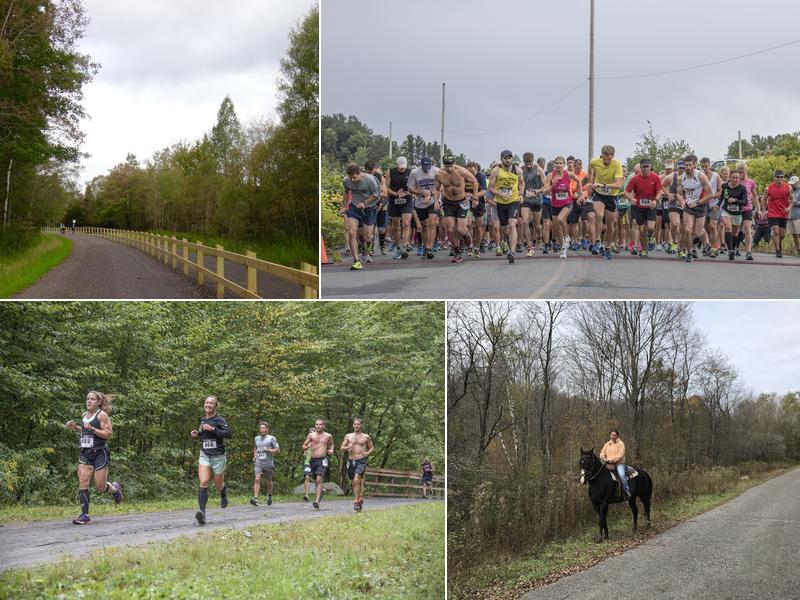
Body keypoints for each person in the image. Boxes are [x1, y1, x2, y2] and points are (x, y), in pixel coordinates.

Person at [65, 391, 123, 525]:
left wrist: (92, 429)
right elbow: (85, 430)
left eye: (92, 399)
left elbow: (108, 434)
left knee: (100, 486)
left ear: (98, 402)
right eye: (87, 399)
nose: (89, 401)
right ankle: (84, 515)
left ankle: (115, 489)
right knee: (83, 481)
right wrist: (75, 428)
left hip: (100, 453)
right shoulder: (84, 415)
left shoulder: (102, 415)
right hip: (85, 453)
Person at [190, 395, 232, 525]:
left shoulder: (219, 419)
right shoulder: (202, 420)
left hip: (218, 457)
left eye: (211, 403)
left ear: (216, 406)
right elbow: (205, 436)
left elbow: (229, 433)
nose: (208, 405)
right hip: (205, 455)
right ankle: (202, 513)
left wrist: (213, 429)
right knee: (203, 482)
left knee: (218, 485)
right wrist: (197, 434)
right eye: (206, 402)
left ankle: (223, 492)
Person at [435, 155, 479, 263]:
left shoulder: (462, 171)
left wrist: (475, 198)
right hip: (448, 203)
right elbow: (436, 189)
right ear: (443, 165)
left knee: (461, 229)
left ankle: (467, 237)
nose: (449, 168)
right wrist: (436, 201)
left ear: (454, 163)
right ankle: (457, 252)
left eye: (451, 166)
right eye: (447, 166)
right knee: (450, 229)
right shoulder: (439, 174)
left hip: (462, 201)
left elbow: (475, 181)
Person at [342, 164, 381, 271]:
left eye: (354, 177)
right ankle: (356, 261)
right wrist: (344, 206)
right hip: (354, 207)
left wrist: (365, 203)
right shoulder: (346, 180)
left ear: (360, 174)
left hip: (369, 207)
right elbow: (346, 192)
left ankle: (366, 248)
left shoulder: (370, 180)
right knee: (351, 232)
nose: (353, 180)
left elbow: (376, 195)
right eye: (351, 178)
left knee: (367, 237)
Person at [588, 145, 624, 259]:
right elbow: (590, 169)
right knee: (598, 215)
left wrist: (602, 184)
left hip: (611, 196)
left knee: (611, 223)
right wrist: (591, 182)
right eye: (605, 157)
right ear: (602, 155)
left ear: (613, 156)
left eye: (609, 157)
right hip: (599, 194)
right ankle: (597, 241)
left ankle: (607, 247)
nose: (607, 160)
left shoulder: (617, 164)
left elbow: (619, 185)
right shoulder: (594, 162)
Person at [488, 150, 525, 263]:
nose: (507, 160)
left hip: (513, 201)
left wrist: (520, 194)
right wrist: (500, 194)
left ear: (512, 159)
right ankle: (508, 244)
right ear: (501, 159)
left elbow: (522, 183)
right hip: (500, 202)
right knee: (505, 229)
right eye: (505, 158)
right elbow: (491, 188)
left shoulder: (517, 170)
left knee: (513, 224)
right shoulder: (496, 171)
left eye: (509, 158)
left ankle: (512, 252)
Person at [625, 159, 663, 257]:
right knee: (641, 230)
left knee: (650, 227)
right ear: (640, 168)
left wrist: (655, 200)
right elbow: (626, 191)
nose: (646, 169)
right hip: (639, 207)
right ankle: (644, 249)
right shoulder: (635, 178)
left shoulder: (655, 177)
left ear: (650, 167)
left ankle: (651, 237)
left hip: (651, 206)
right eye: (644, 167)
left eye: (648, 167)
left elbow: (660, 191)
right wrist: (631, 198)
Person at [408, 157, 440, 259]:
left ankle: (430, 248)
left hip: (433, 201)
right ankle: (426, 248)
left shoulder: (436, 171)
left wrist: (430, 193)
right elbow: (409, 188)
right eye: (424, 167)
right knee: (424, 226)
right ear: (421, 165)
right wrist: (421, 193)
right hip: (420, 203)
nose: (427, 169)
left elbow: (441, 187)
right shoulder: (414, 172)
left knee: (432, 222)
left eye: (428, 166)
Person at [341, 417, 374, 512]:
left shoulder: (366, 437)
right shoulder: (348, 436)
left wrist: (367, 453)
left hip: (361, 460)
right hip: (351, 461)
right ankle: (359, 499)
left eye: (358, 424)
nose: (356, 426)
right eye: (355, 424)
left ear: (361, 425)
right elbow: (341, 448)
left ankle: (356, 501)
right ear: (353, 425)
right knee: (354, 482)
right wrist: (348, 447)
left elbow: (371, 447)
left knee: (357, 479)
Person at [302, 419, 334, 509]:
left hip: (322, 460)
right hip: (312, 460)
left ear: (324, 426)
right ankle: (321, 492)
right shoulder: (311, 435)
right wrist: (307, 446)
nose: (318, 426)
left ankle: (316, 501)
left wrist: (331, 450)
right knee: (315, 480)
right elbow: (303, 446)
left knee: (319, 480)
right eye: (317, 424)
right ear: (315, 425)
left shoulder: (328, 436)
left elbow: (331, 445)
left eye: (320, 424)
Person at [719, 170, 748, 260]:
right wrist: (717, 205)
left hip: (737, 213)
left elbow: (745, 202)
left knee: (735, 234)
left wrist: (735, 200)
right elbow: (722, 197)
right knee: (728, 227)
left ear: (739, 179)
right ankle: (730, 250)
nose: (734, 179)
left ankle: (734, 247)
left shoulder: (742, 188)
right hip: (726, 211)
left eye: (737, 178)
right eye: (733, 177)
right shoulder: (725, 186)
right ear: (730, 178)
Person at [387, 156, 413, 259]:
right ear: (397, 165)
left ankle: (405, 246)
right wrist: (396, 194)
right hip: (394, 200)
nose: (402, 169)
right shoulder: (390, 172)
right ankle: (398, 248)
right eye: (400, 167)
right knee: (396, 226)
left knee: (406, 223)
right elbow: (387, 188)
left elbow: (414, 187)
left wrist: (407, 192)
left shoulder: (411, 172)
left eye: (404, 167)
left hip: (407, 200)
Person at [521, 152, 546, 256]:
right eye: (526, 163)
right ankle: (529, 247)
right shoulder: (521, 170)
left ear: (533, 161)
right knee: (525, 222)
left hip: (537, 200)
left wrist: (536, 192)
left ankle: (539, 238)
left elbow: (546, 186)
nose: (528, 165)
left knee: (537, 225)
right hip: (526, 200)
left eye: (530, 163)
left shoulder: (539, 170)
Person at [763, 169, 792, 258]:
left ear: (783, 178)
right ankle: (778, 250)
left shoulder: (788, 187)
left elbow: (792, 200)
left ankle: (778, 242)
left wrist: (789, 208)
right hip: (773, 213)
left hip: (783, 213)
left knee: (782, 234)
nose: (780, 179)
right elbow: (764, 200)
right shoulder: (768, 188)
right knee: (776, 231)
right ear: (774, 177)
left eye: (781, 177)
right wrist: (764, 211)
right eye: (778, 177)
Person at [250, 421, 280, 507]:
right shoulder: (256, 438)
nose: (262, 429)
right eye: (261, 428)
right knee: (257, 479)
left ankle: (270, 495)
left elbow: (278, 450)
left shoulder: (272, 438)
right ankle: (255, 498)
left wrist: (269, 450)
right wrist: (255, 456)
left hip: (268, 463)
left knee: (269, 481)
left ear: (267, 429)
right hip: (259, 462)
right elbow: (255, 448)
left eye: (263, 428)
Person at [599, 429, 630, 499]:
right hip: (607, 463)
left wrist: (612, 460)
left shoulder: (621, 443)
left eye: (615, 435)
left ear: (617, 436)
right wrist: (603, 458)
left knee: (622, 475)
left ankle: (626, 491)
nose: (613, 437)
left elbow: (620, 454)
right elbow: (602, 452)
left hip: (618, 464)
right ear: (610, 435)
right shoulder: (607, 444)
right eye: (612, 435)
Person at [466, 162, 488, 257]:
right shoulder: (464, 176)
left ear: (475, 168)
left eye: (472, 171)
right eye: (468, 171)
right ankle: (470, 245)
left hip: (479, 203)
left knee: (478, 226)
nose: (470, 173)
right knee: (469, 225)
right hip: (466, 203)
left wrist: (474, 196)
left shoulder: (481, 177)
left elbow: (483, 191)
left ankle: (477, 247)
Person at [302, 427, 315, 501]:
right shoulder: (307, 442)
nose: (311, 434)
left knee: (318, 479)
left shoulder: (318, 442)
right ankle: (306, 495)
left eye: (313, 433)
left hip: (317, 462)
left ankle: (318, 495)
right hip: (308, 462)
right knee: (307, 477)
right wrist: (306, 449)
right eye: (310, 433)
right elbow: (304, 451)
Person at [788, 175, 800, 256]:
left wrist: (795, 202)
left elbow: (796, 202)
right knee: (794, 235)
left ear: (798, 182)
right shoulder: (789, 190)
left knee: (799, 234)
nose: (792, 185)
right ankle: (798, 250)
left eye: (793, 183)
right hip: (790, 216)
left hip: (798, 216)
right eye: (791, 183)